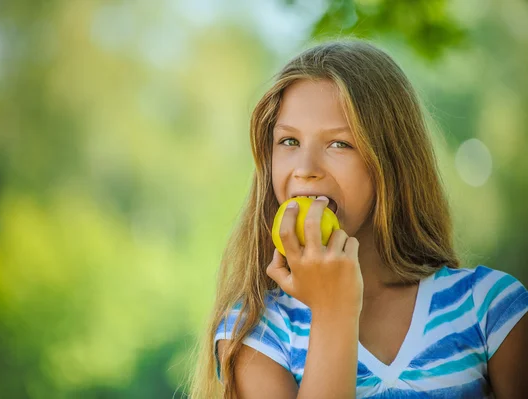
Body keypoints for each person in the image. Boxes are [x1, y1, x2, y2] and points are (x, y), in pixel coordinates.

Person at [187, 40, 528, 398]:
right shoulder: (256, 331)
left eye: (339, 144)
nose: (305, 170)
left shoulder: (490, 309)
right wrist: (334, 310)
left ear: (392, 161)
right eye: (288, 141)